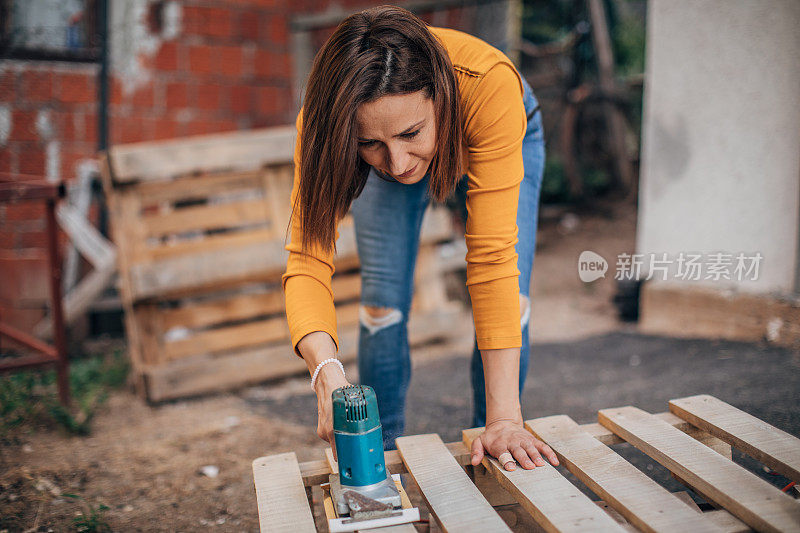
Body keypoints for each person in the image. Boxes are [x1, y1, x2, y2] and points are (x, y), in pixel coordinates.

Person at [283, 5, 558, 472]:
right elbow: (306, 260)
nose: (397, 164)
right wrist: (323, 369)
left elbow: (491, 260)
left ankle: (491, 442)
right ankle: (378, 450)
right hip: (388, 121)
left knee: (511, 293)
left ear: (439, 98)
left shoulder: (487, 85)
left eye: (411, 134)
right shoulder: (328, 122)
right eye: (370, 144)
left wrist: (507, 419)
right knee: (382, 303)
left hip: (500, 121)